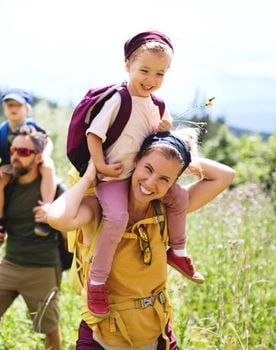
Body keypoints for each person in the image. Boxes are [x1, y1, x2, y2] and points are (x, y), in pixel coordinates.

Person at [47, 129, 235, 349]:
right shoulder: (99, 208)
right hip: (102, 338)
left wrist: (179, 153)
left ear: (173, 183)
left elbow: (225, 175)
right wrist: (89, 177)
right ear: (134, 161)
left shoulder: (167, 210)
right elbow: (57, 218)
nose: (151, 182)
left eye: (164, 178)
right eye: (148, 168)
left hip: (157, 336)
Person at [84, 29, 202, 317]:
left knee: (179, 199)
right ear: (128, 65)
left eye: (160, 74)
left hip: (139, 174)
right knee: (117, 217)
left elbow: (152, 143)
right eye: (144, 70)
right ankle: (97, 280)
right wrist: (99, 166)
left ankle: (178, 251)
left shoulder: (156, 105)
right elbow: (94, 134)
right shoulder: (118, 99)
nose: (151, 80)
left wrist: (163, 128)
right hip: (113, 177)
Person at [0, 126, 64, 350]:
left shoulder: (55, 187)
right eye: (13, 150)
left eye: (24, 152)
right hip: (10, 264)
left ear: (38, 157)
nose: (15, 156)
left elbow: (70, 224)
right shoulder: (7, 185)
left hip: (43, 267)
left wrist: (53, 216)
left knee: (50, 329)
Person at [0, 88, 56, 237]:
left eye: (17, 105)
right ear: (4, 108)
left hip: (34, 163)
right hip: (11, 166)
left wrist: (44, 156)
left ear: (26, 108)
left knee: (48, 167)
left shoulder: (34, 127)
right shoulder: (1, 131)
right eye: (9, 105)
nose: (13, 109)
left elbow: (48, 142)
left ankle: (45, 212)